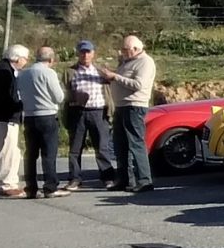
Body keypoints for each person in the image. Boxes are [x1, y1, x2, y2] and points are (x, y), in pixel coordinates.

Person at [103, 35, 157, 193]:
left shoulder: (145, 62)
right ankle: (125, 179)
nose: (123, 52)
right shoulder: (127, 62)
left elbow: (139, 84)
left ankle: (145, 180)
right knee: (120, 144)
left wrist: (115, 77)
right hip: (121, 106)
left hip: (134, 106)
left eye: (125, 50)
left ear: (135, 48)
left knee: (135, 143)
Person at [62, 40, 116, 189]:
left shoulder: (101, 71)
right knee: (75, 148)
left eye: (88, 52)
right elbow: (64, 92)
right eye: (82, 52)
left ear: (93, 54)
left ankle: (107, 178)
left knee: (102, 147)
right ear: (78, 53)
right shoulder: (70, 72)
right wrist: (73, 99)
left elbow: (112, 88)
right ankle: (75, 179)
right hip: (77, 112)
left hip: (98, 112)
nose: (85, 55)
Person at [15, 45, 66, 199]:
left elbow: (19, 95)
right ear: (51, 59)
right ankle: (50, 187)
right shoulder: (48, 73)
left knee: (30, 153)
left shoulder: (23, 74)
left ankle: (31, 187)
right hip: (47, 115)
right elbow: (59, 97)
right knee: (49, 153)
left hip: (29, 116)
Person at [0, 46, 27, 198]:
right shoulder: (5, 72)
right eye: (25, 59)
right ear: (17, 58)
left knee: (10, 150)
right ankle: (7, 184)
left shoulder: (0, 68)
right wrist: (23, 105)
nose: (26, 62)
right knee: (8, 151)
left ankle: (8, 181)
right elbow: (11, 96)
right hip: (5, 116)